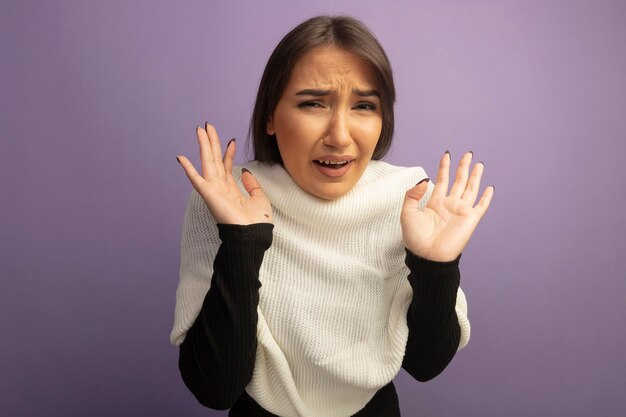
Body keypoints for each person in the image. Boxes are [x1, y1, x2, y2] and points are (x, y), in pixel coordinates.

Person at [171, 15, 493, 417]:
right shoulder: (224, 197)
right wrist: (242, 241)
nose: (340, 136)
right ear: (270, 115)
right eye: (312, 103)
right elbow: (214, 388)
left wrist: (436, 268)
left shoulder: (409, 201)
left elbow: (424, 366)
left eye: (363, 105)